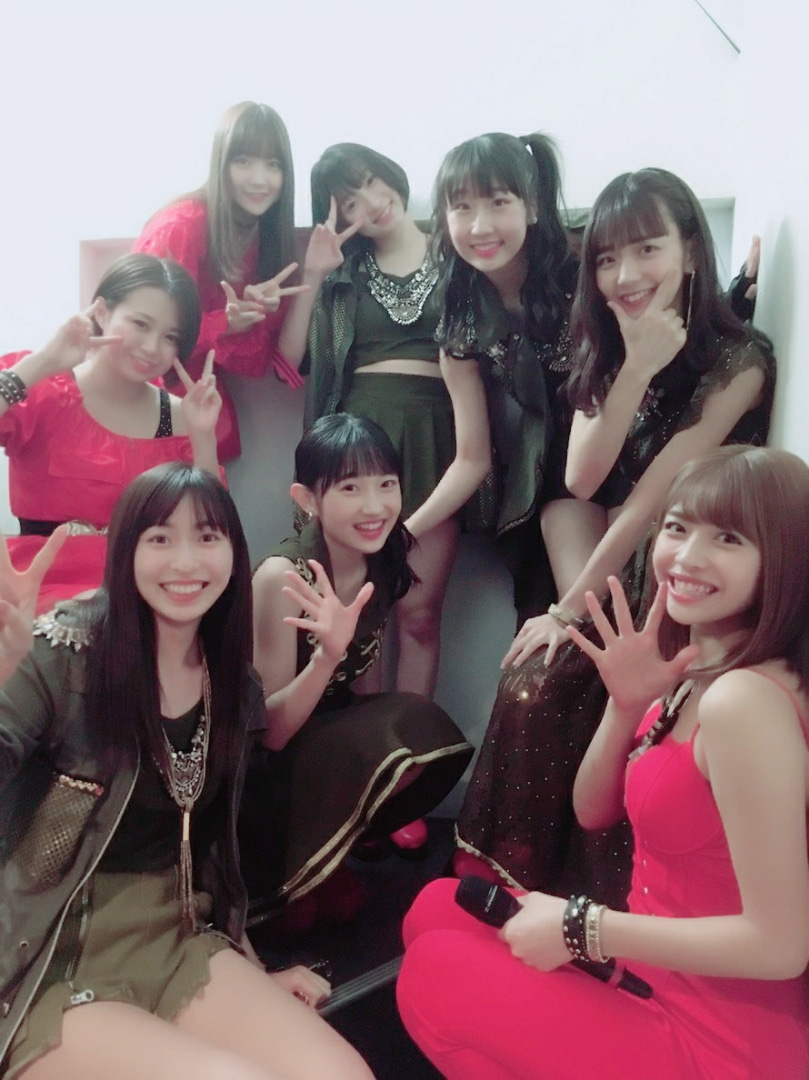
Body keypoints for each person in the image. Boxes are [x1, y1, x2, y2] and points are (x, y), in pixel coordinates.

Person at [398, 445, 809, 1080]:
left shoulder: (743, 701)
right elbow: (594, 811)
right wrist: (624, 706)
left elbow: (781, 946)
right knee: (436, 909)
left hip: (718, 1038)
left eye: (727, 538)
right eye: (677, 527)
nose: (687, 557)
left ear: (782, 557)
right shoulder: (700, 666)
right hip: (651, 971)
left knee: (432, 976)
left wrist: (581, 926)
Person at [454, 169, 776, 906]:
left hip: (684, 571)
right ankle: (503, 884)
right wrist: (634, 366)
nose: (624, 275)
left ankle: (594, 905)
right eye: (605, 258)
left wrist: (567, 609)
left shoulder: (740, 362)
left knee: (562, 685)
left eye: (646, 249)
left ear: (690, 251)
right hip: (630, 554)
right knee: (530, 679)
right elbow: (582, 476)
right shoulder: (607, 346)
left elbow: (655, 499)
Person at [0, 462, 374, 1080]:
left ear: (233, 552)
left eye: (206, 537)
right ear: (126, 550)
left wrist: (326, 661)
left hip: (179, 934)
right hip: (53, 953)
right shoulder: (59, 655)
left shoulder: (225, 674)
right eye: (160, 538)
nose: (185, 561)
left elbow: (263, 736)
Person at [279, 143, 490, 697]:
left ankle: (412, 748)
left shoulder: (460, 256)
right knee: (356, 613)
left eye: (372, 181)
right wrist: (315, 272)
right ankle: (365, 746)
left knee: (419, 614)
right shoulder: (344, 274)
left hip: (435, 443)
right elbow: (289, 361)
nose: (370, 202)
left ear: (392, 176)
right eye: (349, 202)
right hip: (359, 444)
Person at [243, 414, 473, 902]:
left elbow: (364, 672)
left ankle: (344, 839)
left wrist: (373, 750)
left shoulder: (382, 558)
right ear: (307, 499)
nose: (374, 506)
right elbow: (268, 734)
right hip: (260, 760)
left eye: (386, 484)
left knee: (416, 729)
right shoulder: (283, 578)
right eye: (350, 488)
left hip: (324, 723)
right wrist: (326, 657)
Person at [0, 252, 222, 616]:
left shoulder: (182, 415)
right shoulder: (43, 388)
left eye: (170, 337)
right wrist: (42, 363)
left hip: (142, 599)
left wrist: (203, 436)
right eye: (140, 324)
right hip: (34, 595)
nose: (151, 347)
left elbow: (211, 528)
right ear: (102, 312)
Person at [431, 130, 579, 622]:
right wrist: (403, 534)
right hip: (538, 486)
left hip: (619, 470)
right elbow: (471, 459)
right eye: (462, 207)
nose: (480, 226)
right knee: (537, 643)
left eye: (498, 203)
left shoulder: (582, 276)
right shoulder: (461, 320)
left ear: (532, 206)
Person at [133, 101, 308, 461]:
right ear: (221, 163)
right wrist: (225, 323)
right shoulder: (180, 227)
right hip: (147, 406)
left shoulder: (264, 239)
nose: (259, 179)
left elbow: (257, 366)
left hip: (199, 410)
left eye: (273, 164)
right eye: (243, 161)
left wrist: (256, 315)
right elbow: (141, 336)